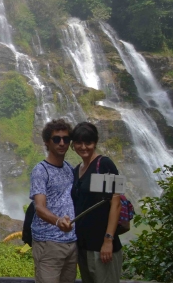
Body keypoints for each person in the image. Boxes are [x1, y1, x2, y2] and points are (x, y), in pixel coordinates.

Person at [71, 122, 122, 283]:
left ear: (95, 142)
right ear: (73, 144)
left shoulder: (104, 165)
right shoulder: (76, 170)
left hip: (103, 247)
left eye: (88, 142)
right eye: (79, 142)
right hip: (84, 246)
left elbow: (116, 202)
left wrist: (108, 240)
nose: (83, 147)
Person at [30, 119, 77, 283]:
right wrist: (58, 221)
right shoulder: (40, 171)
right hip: (49, 243)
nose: (62, 142)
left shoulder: (69, 168)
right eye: (56, 139)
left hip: (71, 242)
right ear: (47, 143)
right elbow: (40, 208)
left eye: (66, 139)